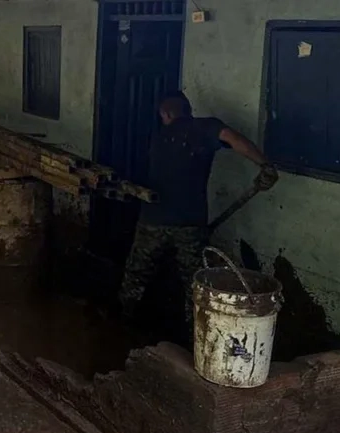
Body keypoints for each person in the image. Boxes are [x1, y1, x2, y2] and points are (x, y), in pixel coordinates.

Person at [118, 92, 279, 341]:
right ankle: (196, 334)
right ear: (188, 110)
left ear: (166, 114)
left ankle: (123, 322)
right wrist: (264, 165)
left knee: (137, 273)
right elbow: (236, 140)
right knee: (195, 283)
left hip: (153, 221)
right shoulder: (205, 128)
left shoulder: (158, 136)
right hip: (190, 224)